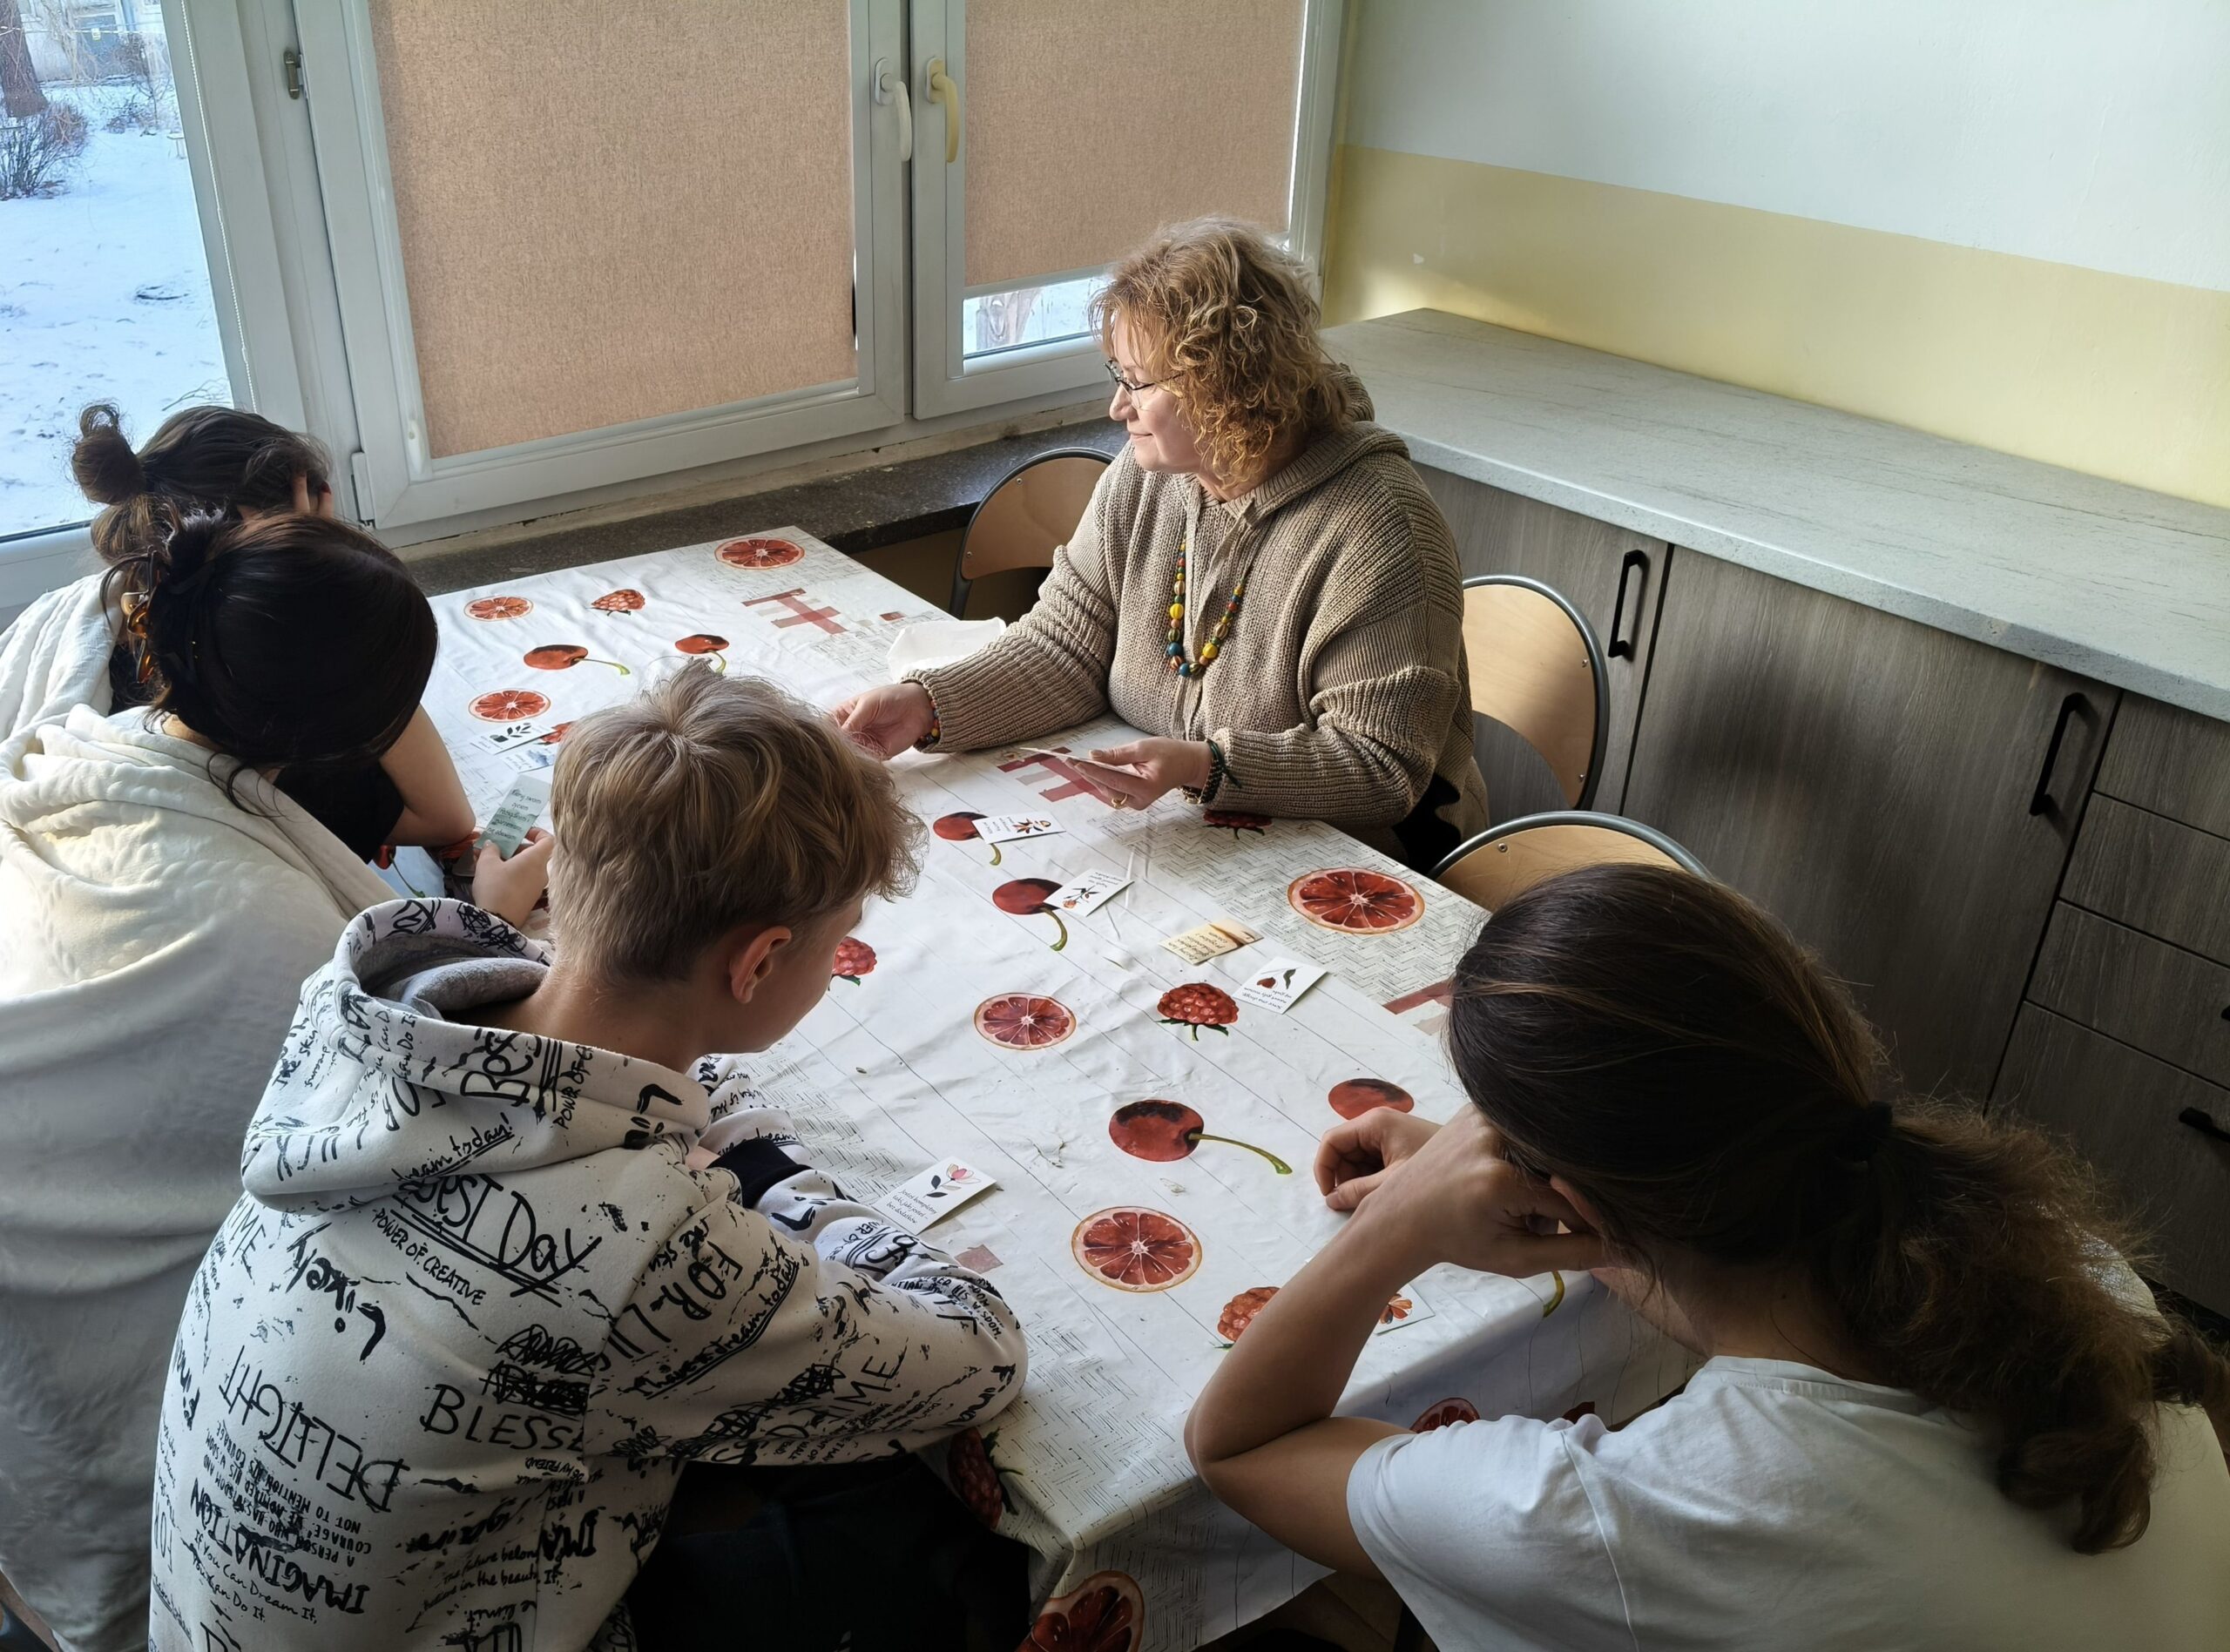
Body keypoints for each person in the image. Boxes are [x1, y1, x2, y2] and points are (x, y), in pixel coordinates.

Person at [148, 666, 1027, 1651]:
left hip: (215, 1614)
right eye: (835, 947)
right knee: (953, 1553)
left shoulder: (374, 1014)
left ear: (566, 873)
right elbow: (980, 1353)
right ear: (758, 961)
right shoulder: (645, 1245)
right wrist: (763, 1161)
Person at [1186, 866, 2230, 1649]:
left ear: (1573, 1189)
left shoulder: (1634, 1516)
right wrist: (1576, 1197)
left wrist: (1399, 1227)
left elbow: (1241, 1446)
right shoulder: (2082, 1271)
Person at [0, 511, 551, 1652]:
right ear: (354, 735)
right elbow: (429, 1124)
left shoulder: (89, 748)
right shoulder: (271, 924)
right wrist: (493, 924)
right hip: (102, 1351)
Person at [837, 218, 1488, 869]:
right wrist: (928, 705)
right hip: (1196, 829)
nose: (1117, 407)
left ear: (1229, 384)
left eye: (1139, 381)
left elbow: (1380, 766)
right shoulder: (1148, 475)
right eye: (1118, 374)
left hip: (1359, 862)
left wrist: (1208, 766)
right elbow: (1065, 647)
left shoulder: (1381, 530)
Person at [0, 401, 476, 860]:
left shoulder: (122, 612)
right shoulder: (250, 725)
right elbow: (445, 817)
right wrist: (333, 607)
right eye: (313, 535)